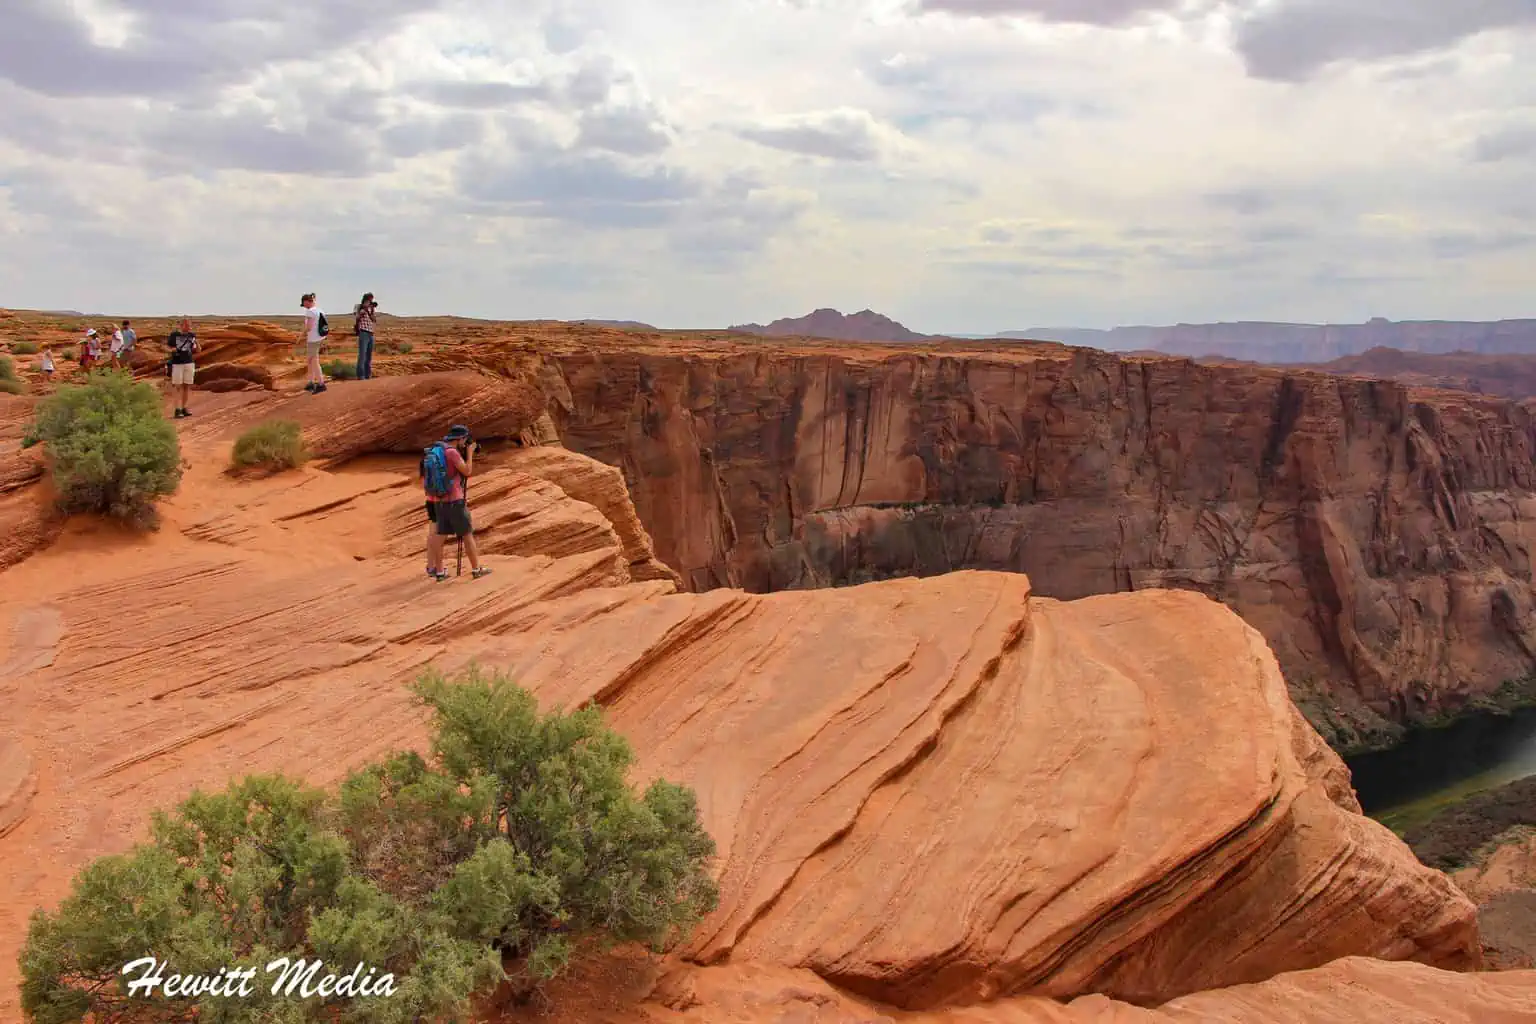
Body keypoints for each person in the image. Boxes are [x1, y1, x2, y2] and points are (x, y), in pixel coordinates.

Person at [420, 425, 490, 580]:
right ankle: (476, 569)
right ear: (460, 439)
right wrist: (470, 454)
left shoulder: (437, 450)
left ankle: (439, 572)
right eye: (464, 440)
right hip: (455, 500)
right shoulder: (452, 453)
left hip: (439, 501)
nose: (465, 443)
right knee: (467, 534)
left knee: (439, 537)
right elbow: (467, 471)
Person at [166, 317, 198, 418]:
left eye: (189, 325)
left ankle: (184, 408)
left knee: (186, 386)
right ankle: (177, 409)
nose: (188, 327)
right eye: (186, 325)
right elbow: (167, 347)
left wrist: (197, 343)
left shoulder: (192, 335)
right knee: (177, 387)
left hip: (189, 362)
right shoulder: (174, 335)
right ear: (181, 325)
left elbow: (196, 349)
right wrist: (172, 350)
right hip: (177, 363)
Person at [299, 292, 328, 393]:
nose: (304, 307)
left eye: (304, 304)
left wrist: (301, 336)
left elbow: (309, 327)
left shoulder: (310, 312)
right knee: (310, 361)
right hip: (319, 338)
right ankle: (311, 382)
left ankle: (321, 383)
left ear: (307, 301)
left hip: (313, 339)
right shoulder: (320, 310)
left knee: (314, 361)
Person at [353, 292, 378, 381]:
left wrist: (370, 310)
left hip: (371, 333)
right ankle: (361, 376)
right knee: (362, 355)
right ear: (365, 299)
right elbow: (356, 317)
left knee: (369, 355)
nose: (371, 301)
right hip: (363, 332)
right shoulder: (358, 306)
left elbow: (374, 320)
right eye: (369, 299)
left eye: (371, 299)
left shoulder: (371, 308)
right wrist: (363, 310)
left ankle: (368, 375)